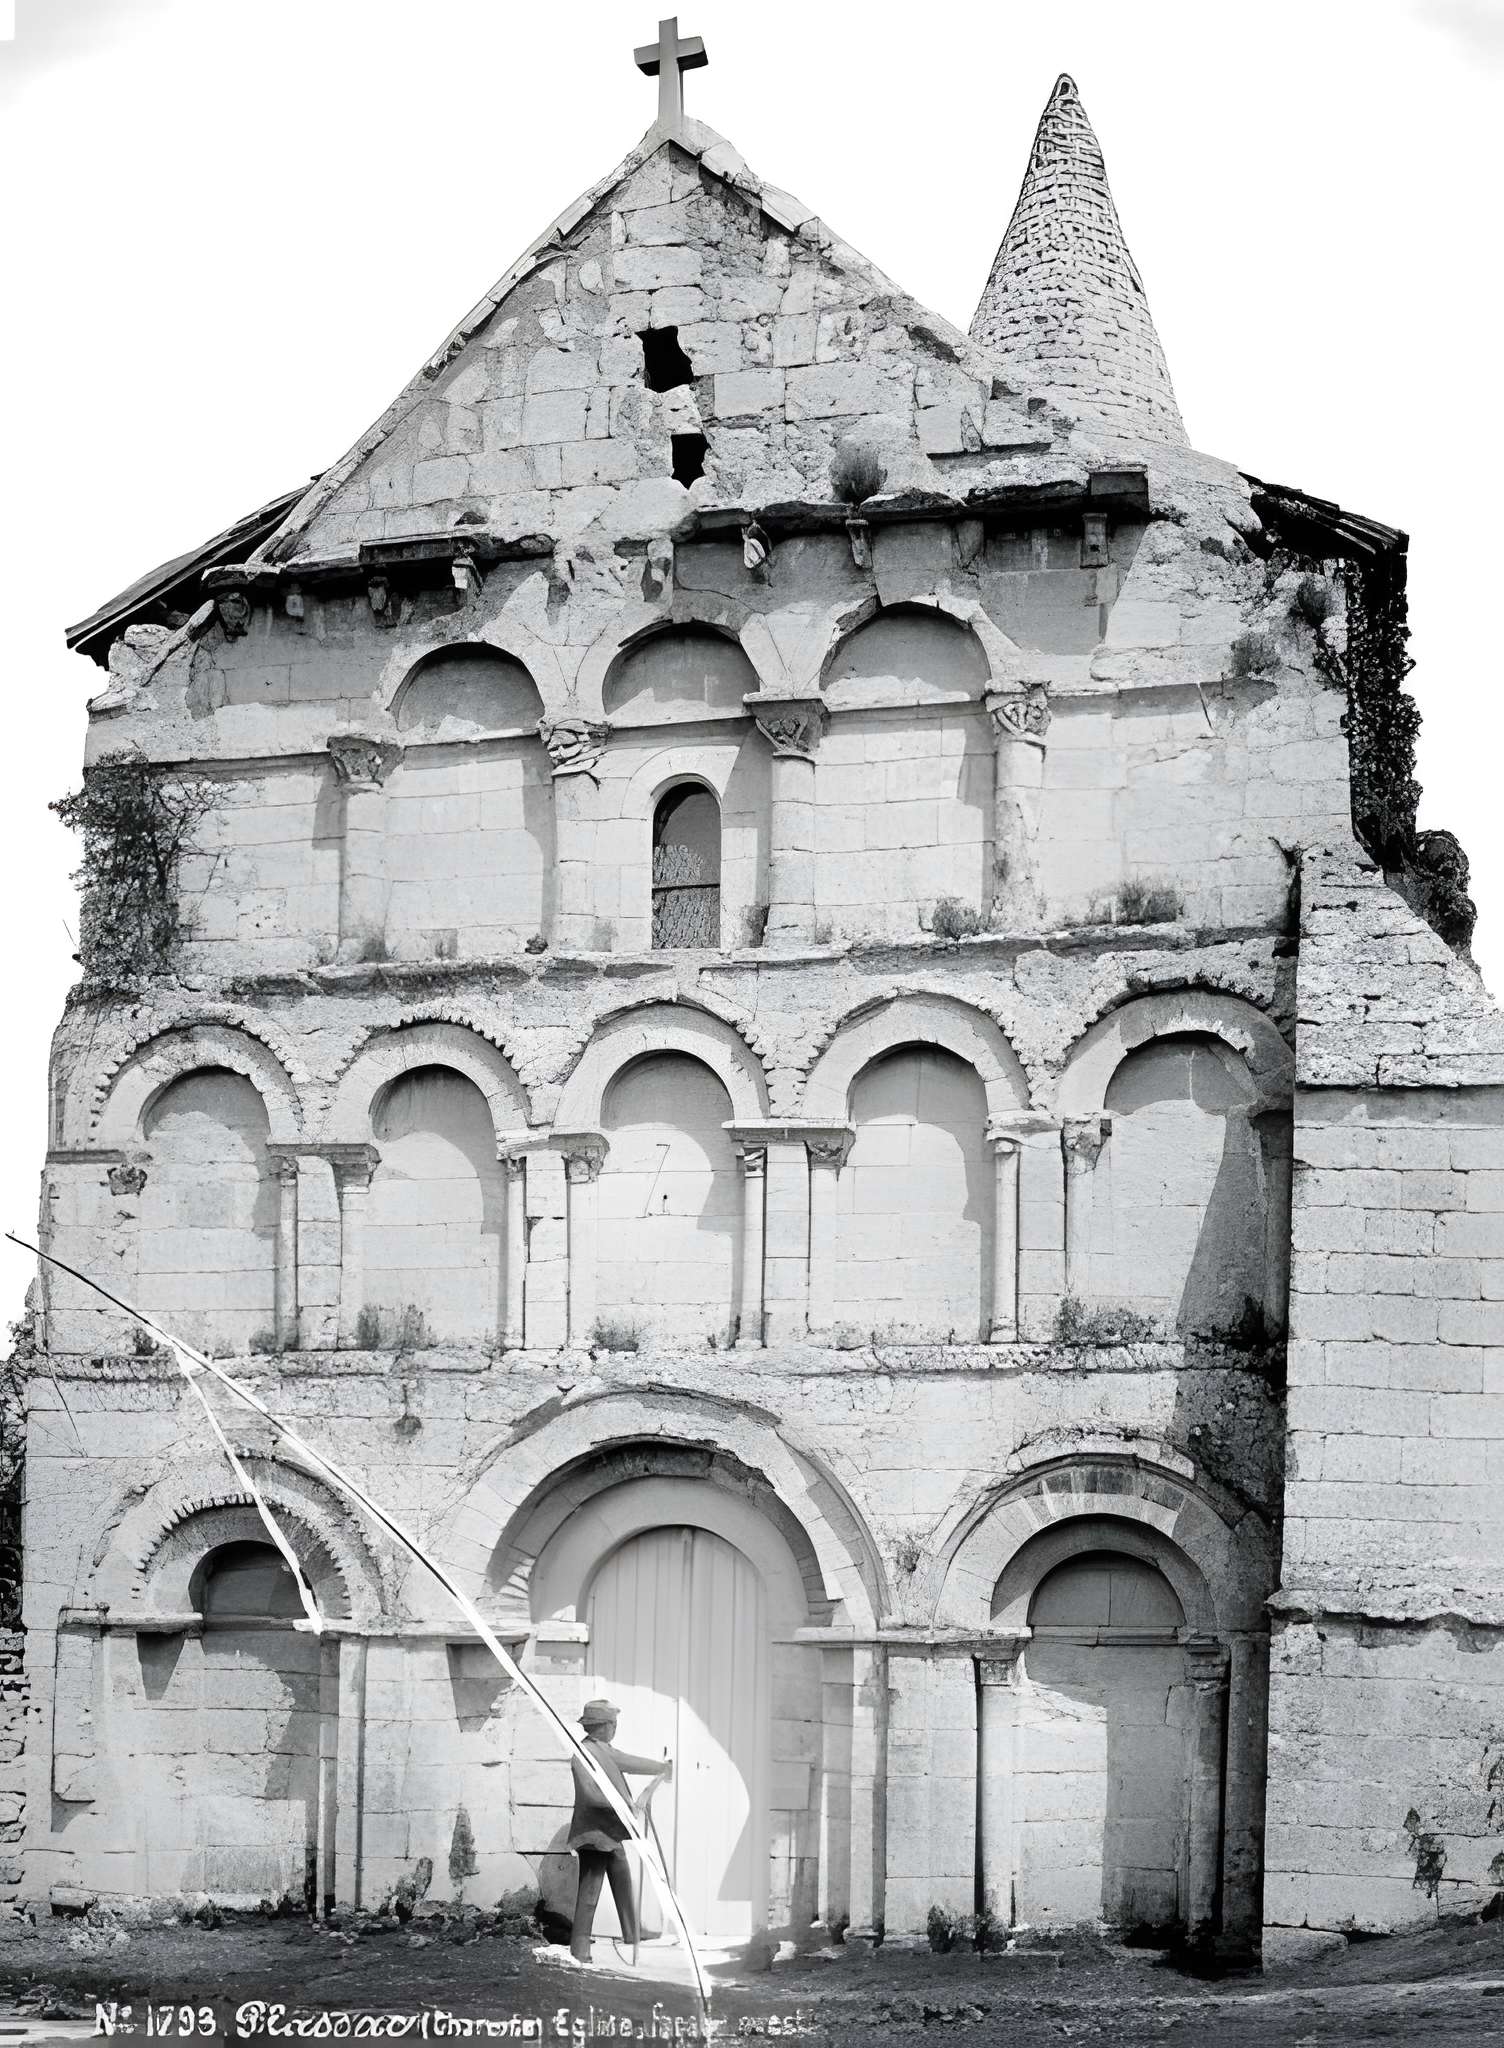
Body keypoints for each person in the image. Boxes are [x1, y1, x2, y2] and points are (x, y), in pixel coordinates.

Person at [567, 1697, 673, 1964]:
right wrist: (626, 1806)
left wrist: (661, 1767)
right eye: (614, 1722)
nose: (616, 1727)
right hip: (594, 1834)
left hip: (609, 1833)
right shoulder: (583, 1755)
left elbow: (630, 1762)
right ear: (603, 1726)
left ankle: (632, 1932)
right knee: (590, 1890)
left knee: (622, 1878)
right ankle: (580, 1948)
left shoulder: (605, 1750)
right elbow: (591, 1797)